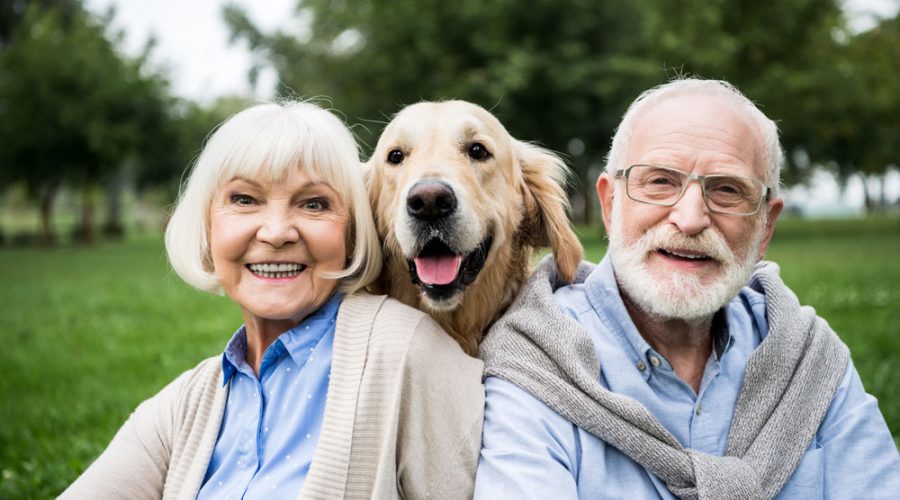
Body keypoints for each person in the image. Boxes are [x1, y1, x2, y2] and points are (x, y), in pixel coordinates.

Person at [474, 79, 900, 499]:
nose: (691, 217)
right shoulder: (537, 362)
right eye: (660, 181)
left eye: (727, 190)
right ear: (610, 204)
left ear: (766, 226)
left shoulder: (811, 362)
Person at [61, 101, 484, 499]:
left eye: (314, 204)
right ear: (207, 226)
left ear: (355, 231)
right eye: (244, 200)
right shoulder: (186, 405)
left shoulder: (406, 351)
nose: (277, 231)